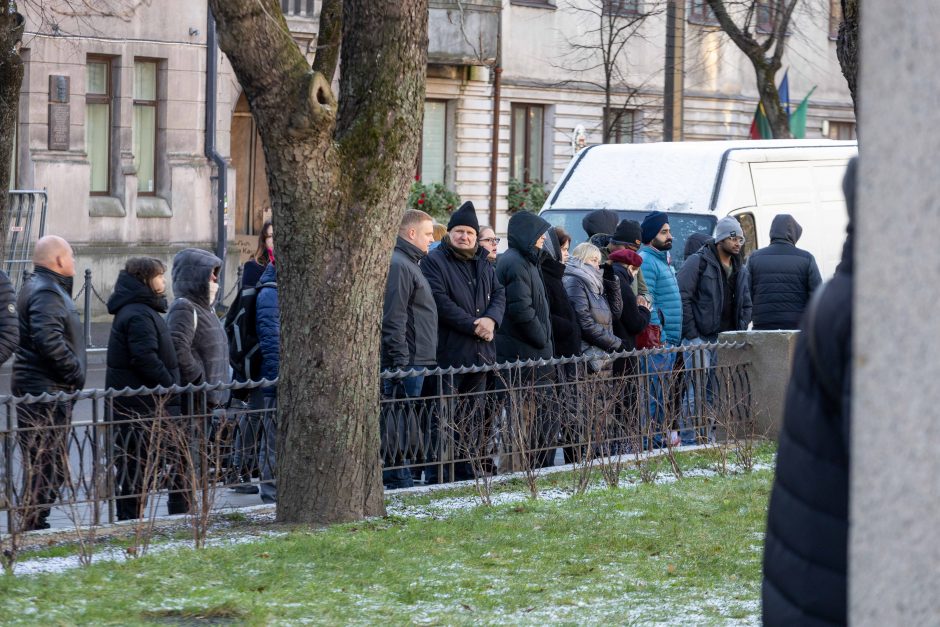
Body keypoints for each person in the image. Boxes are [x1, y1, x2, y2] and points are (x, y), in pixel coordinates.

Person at [762, 158, 856, 626]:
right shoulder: (819, 276)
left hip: (765, 331)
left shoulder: (758, 258)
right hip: (794, 328)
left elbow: (743, 294)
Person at [421, 201, 505, 481]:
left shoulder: (483, 260)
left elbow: (499, 294)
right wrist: (474, 325)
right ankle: (440, 474)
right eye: (459, 231)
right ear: (450, 233)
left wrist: (491, 320)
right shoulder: (435, 261)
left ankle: (466, 470)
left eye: (469, 232)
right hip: (450, 354)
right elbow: (440, 302)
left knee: (473, 417)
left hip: (481, 354)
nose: (464, 236)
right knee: (442, 419)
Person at [12, 235, 86, 530]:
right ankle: (33, 522)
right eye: (71, 256)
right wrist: (75, 374)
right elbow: (48, 340)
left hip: (45, 387)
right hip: (46, 390)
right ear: (58, 260)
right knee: (46, 462)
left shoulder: (42, 287)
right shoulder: (47, 292)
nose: (74, 262)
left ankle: (34, 519)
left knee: (45, 461)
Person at [105, 258, 183, 520]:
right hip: (138, 408)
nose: (164, 281)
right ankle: (130, 523)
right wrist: (170, 384)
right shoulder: (137, 313)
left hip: (141, 406)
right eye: (160, 276)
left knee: (138, 467)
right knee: (135, 469)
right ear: (145, 280)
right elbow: (145, 358)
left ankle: (133, 520)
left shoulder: (140, 310)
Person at [676, 216, 752, 444]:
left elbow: (747, 301)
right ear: (720, 239)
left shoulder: (740, 268)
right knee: (695, 390)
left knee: (714, 392)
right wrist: (691, 334)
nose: (738, 242)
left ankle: (705, 438)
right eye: (733, 238)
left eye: (740, 238)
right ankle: (689, 439)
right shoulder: (698, 262)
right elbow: (683, 296)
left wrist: (740, 328)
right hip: (700, 338)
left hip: (725, 339)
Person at [380, 209, 437, 489]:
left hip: (418, 358)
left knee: (407, 419)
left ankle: (401, 475)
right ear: (411, 233)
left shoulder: (410, 262)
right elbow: (395, 317)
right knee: (400, 421)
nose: (431, 240)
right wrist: (401, 362)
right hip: (408, 360)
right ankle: (397, 478)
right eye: (428, 234)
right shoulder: (401, 265)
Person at [167, 248, 231, 489]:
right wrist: (199, 378)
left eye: (216, 274)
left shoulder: (208, 308)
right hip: (193, 402)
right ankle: (184, 514)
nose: (215, 279)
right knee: (187, 470)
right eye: (210, 274)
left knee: (199, 467)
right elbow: (177, 347)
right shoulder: (185, 307)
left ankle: (193, 512)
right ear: (195, 276)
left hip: (207, 402)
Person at [495, 212, 555, 468]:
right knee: (520, 419)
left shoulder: (527, 261)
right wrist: (542, 338)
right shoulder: (516, 262)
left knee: (527, 419)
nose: (543, 239)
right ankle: (514, 470)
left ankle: (521, 469)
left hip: (532, 355)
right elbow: (521, 309)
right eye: (539, 234)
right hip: (524, 355)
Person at [226, 221, 275, 495]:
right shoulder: (254, 268)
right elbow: (249, 313)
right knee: (254, 414)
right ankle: (238, 469)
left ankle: (250, 467)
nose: (273, 242)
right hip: (256, 352)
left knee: (263, 415)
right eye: (269, 237)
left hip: (269, 352)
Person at [638, 211, 682, 447]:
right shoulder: (646, 259)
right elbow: (648, 301)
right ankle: (651, 443)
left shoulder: (661, 259)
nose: (669, 236)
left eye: (669, 231)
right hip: (659, 344)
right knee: (653, 397)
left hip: (669, 342)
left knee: (661, 395)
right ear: (650, 235)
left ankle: (657, 440)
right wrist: (660, 337)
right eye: (664, 232)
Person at [747, 214, 822, 330]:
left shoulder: (754, 258)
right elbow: (817, 296)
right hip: (797, 328)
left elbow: (746, 295)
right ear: (794, 233)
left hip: (762, 327)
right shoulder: (807, 258)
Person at [563, 242, 623, 359]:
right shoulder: (574, 281)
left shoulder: (595, 283)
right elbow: (585, 323)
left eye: (599, 262)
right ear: (580, 259)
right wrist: (617, 343)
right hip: (587, 356)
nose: (597, 266)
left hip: (600, 353)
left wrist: (611, 282)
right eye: (594, 260)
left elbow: (615, 313)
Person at [254, 262, 279, 504]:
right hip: (277, 379)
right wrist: (279, 378)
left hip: (283, 377)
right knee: (273, 436)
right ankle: (270, 490)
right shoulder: (271, 292)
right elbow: (272, 343)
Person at [541, 227, 580, 359]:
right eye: (563, 249)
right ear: (553, 250)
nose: (567, 254)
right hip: (559, 351)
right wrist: (569, 327)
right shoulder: (546, 276)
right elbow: (546, 314)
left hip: (567, 349)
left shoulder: (556, 274)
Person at [607, 219, 649, 299]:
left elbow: (645, 292)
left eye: (634, 251)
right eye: (628, 249)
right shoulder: (594, 257)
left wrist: (643, 298)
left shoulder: (632, 260)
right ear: (615, 242)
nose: (630, 254)